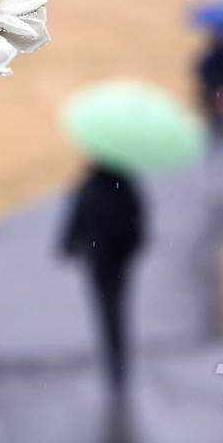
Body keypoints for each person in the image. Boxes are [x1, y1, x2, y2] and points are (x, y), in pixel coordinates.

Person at [60, 166, 147, 393]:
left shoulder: (89, 187)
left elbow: (76, 219)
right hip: (120, 260)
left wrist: (68, 245)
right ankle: (119, 357)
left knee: (106, 308)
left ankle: (114, 358)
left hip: (99, 260)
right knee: (117, 307)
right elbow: (138, 222)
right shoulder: (126, 185)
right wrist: (133, 247)